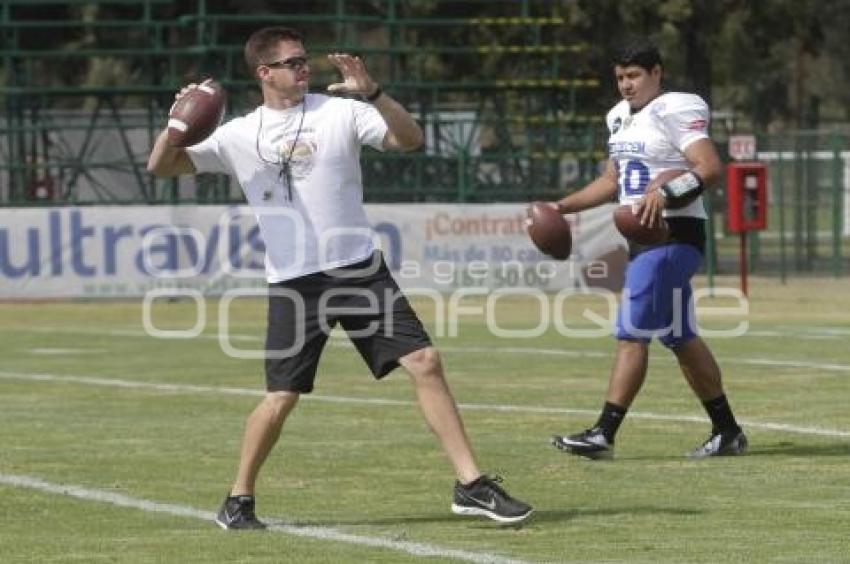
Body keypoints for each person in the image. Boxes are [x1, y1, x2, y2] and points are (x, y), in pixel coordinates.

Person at [147, 26, 532, 528]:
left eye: (305, 60)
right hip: (294, 281)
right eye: (293, 63)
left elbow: (410, 140)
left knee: (425, 360)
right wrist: (176, 125)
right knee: (281, 397)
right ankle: (237, 499)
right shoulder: (239, 133)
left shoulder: (342, 111)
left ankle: (471, 484)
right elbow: (162, 166)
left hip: (358, 269)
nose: (304, 69)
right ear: (265, 72)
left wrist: (373, 92)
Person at [548, 39, 747, 460]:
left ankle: (603, 433)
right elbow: (610, 182)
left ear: (657, 72)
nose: (626, 85)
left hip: (674, 236)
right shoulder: (618, 118)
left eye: (635, 75)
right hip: (642, 241)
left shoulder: (675, 107)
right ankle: (727, 430)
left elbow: (709, 167)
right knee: (681, 338)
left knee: (631, 334)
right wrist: (562, 207)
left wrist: (669, 192)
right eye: (620, 77)